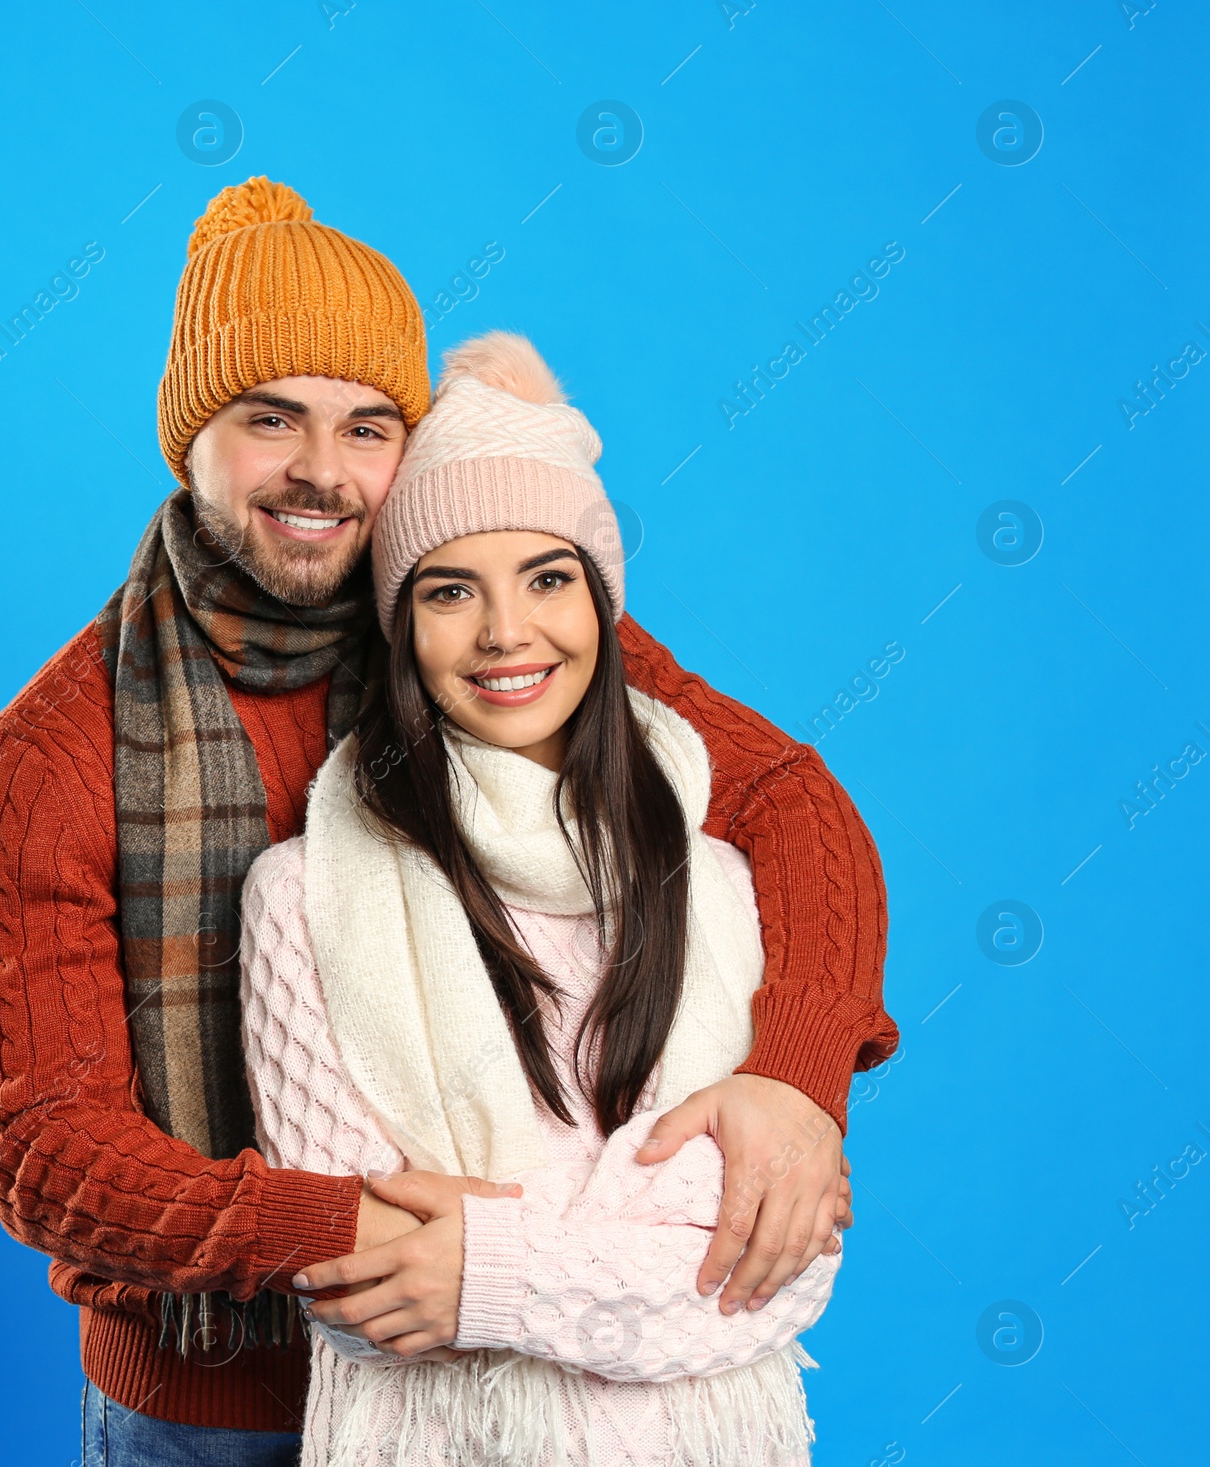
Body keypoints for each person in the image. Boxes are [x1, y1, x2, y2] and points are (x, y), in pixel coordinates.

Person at [0, 178, 897, 1464]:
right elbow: (44, 1145)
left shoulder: (461, 623)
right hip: (210, 1411)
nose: (323, 473)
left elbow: (788, 802)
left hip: (532, 1392)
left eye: (369, 426)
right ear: (189, 436)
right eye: (270, 419)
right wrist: (355, 1241)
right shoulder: (48, 760)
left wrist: (794, 1077)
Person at [239, 332, 848, 1465]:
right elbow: (353, 1281)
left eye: (548, 578)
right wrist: (640, 1247)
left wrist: (489, 1269)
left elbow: (781, 1273)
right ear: (402, 629)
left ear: (603, 606)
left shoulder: (714, 883)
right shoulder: (305, 899)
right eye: (451, 590)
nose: (506, 632)